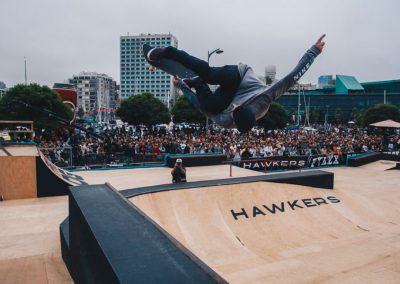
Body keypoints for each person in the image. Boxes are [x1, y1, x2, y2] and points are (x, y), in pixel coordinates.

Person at [146, 35, 326, 133]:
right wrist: (313, 52)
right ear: (245, 107)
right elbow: (292, 77)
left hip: (229, 94)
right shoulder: (266, 97)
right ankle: (169, 51)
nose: (233, 107)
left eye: (234, 109)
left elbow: (201, 107)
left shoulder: (225, 121)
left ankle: (197, 82)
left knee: (212, 105)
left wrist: (182, 87)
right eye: (237, 107)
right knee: (209, 75)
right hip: (240, 76)